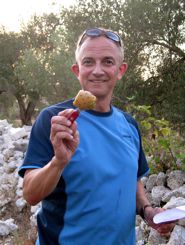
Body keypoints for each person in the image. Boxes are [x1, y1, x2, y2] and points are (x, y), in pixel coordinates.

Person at [19, 27, 175, 245]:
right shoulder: (55, 120)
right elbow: (30, 194)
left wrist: (148, 211)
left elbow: (133, 181)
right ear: (77, 70)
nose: (98, 70)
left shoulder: (129, 125)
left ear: (120, 70)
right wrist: (59, 162)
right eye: (89, 62)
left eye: (108, 62)